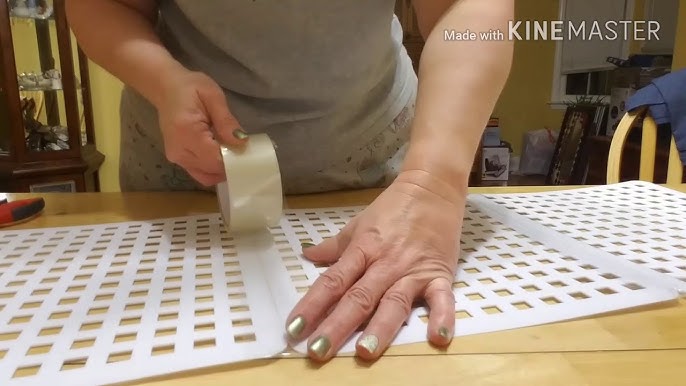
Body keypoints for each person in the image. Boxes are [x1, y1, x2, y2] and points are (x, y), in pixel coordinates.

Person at [66, 0, 514, 362]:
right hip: (188, 161)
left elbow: (466, 8)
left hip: (373, 160)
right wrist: (164, 82)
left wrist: (431, 184)